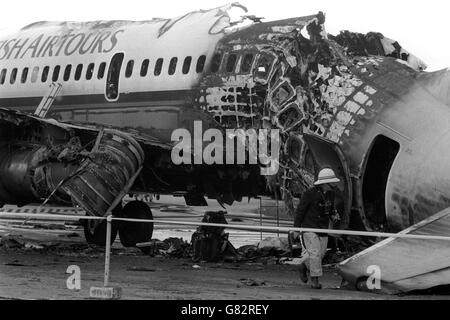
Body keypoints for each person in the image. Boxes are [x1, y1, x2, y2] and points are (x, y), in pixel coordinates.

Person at [294, 168, 341, 289]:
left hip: (323, 228)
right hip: (309, 227)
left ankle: (304, 265)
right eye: (332, 183)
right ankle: (315, 280)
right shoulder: (310, 194)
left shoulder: (331, 194)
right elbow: (300, 211)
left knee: (320, 254)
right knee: (314, 253)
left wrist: (333, 215)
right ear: (325, 183)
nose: (334, 185)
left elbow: (330, 209)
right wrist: (295, 229)